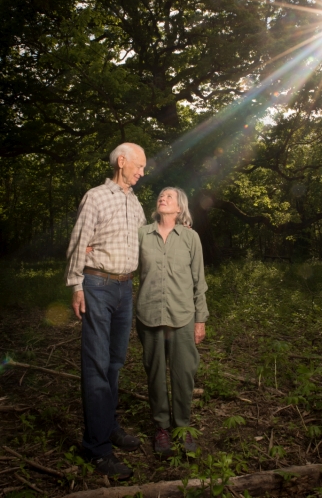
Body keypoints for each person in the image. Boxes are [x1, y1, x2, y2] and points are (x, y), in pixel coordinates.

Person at [65, 142, 146, 480]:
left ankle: (108, 425)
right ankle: (96, 447)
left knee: (115, 362)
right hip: (97, 286)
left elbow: (146, 238)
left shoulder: (135, 201)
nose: (142, 172)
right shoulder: (96, 196)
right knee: (97, 363)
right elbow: (79, 239)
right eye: (139, 165)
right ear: (122, 161)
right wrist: (76, 284)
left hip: (125, 288)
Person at [136, 187, 208, 456]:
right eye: (161, 195)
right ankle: (162, 428)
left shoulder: (190, 237)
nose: (162, 198)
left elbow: (199, 283)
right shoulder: (142, 233)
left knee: (184, 374)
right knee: (154, 375)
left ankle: (182, 426)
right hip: (149, 314)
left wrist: (200, 319)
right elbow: (123, 260)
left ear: (180, 208)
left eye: (169, 196)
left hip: (182, 317)